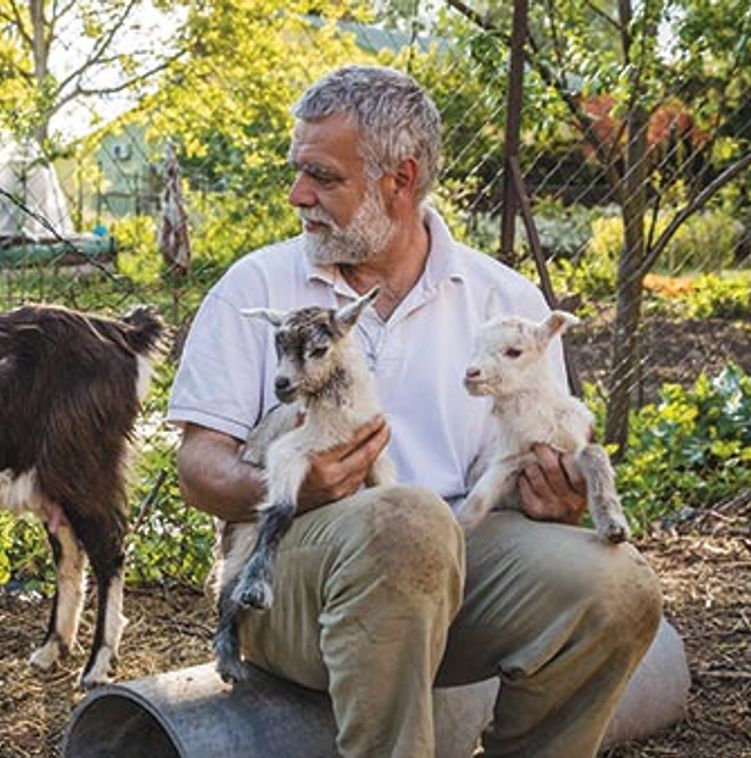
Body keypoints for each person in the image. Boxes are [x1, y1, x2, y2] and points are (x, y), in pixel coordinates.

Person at [168, 65, 662, 758]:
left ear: (399, 180)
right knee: (407, 519)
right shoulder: (255, 285)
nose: (296, 195)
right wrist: (283, 488)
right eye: (297, 171)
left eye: (323, 177)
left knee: (613, 585)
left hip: (454, 566)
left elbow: (520, 469)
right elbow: (196, 470)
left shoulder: (500, 299)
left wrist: (549, 495)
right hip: (292, 575)